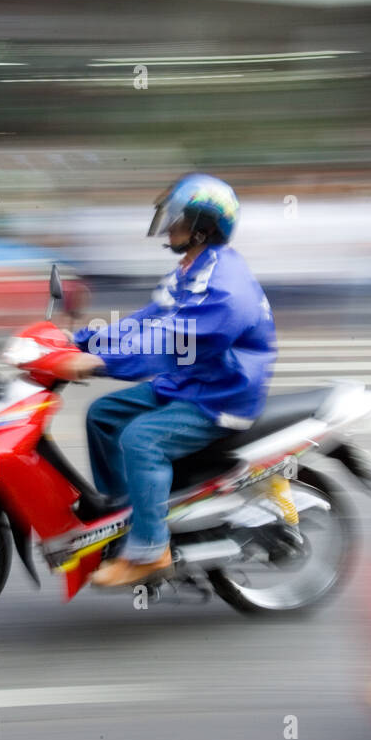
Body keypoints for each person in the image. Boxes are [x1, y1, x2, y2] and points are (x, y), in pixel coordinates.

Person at [60, 173, 277, 587]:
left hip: (220, 397)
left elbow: (166, 344)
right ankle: (125, 517)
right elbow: (148, 321)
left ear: (202, 226)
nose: (168, 226)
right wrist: (83, 343)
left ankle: (150, 549)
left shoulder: (225, 289)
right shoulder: (191, 271)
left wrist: (97, 364)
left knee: (141, 439)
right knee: (102, 415)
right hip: (192, 384)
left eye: (176, 218)